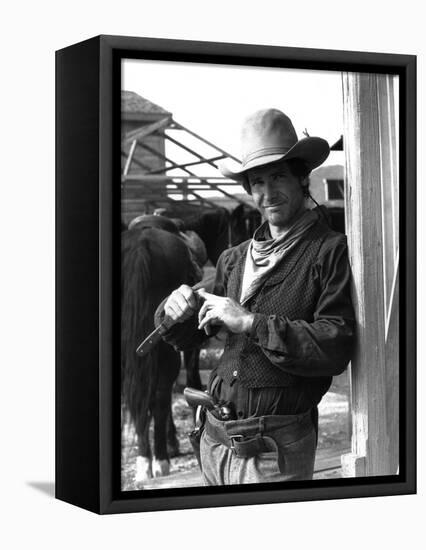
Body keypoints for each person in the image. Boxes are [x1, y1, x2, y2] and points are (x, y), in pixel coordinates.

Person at [156, 108, 355, 485]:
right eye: (257, 181)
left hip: (274, 451)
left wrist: (250, 322)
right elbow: (195, 330)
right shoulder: (234, 258)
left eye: (278, 176)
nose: (267, 192)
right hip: (213, 441)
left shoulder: (329, 251)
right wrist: (175, 309)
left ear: (301, 178)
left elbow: (336, 344)